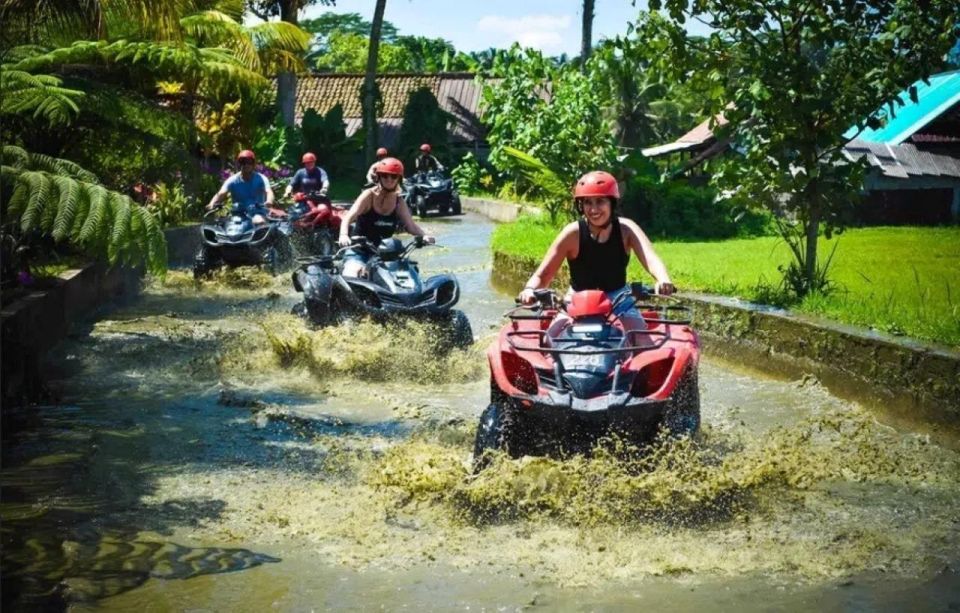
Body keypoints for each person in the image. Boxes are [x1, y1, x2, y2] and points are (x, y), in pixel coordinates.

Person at [518, 170, 675, 316]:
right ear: (581, 206)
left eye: (600, 201)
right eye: (588, 202)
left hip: (619, 299)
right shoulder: (572, 233)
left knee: (639, 335)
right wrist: (530, 290)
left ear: (612, 204)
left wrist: (663, 279)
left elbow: (650, 258)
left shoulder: (627, 229)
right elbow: (544, 274)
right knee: (552, 337)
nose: (593, 209)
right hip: (577, 298)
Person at [337, 157, 435, 278]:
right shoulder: (368, 195)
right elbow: (348, 218)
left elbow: (411, 226)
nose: (389, 180)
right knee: (352, 274)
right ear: (378, 177)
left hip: (385, 255)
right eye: (385, 175)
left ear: (398, 179)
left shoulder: (399, 202)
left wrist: (424, 236)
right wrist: (343, 235)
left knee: (411, 272)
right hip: (359, 251)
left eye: (393, 177)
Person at [207, 149, 275, 225]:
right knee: (223, 225)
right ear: (239, 164)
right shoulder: (232, 180)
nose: (246, 165)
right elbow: (221, 193)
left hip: (257, 213)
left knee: (258, 221)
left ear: (253, 164)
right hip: (238, 214)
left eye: (249, 162)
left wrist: (269, 201)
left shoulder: (261, 178)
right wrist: (212, 203)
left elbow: (269, 191)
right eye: (243, 162)